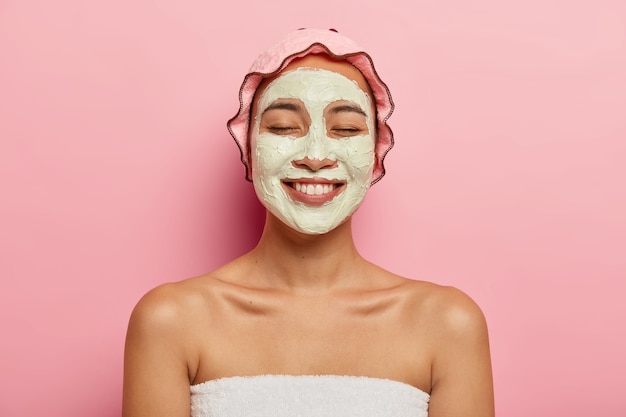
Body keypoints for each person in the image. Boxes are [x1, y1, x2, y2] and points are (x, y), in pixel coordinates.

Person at [122, 28, 494, 417]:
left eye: (346, 129)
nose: (315, 155)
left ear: (376, 154)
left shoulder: (448, 324)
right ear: (249, 150)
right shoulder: (170, 320)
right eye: (283, 127)